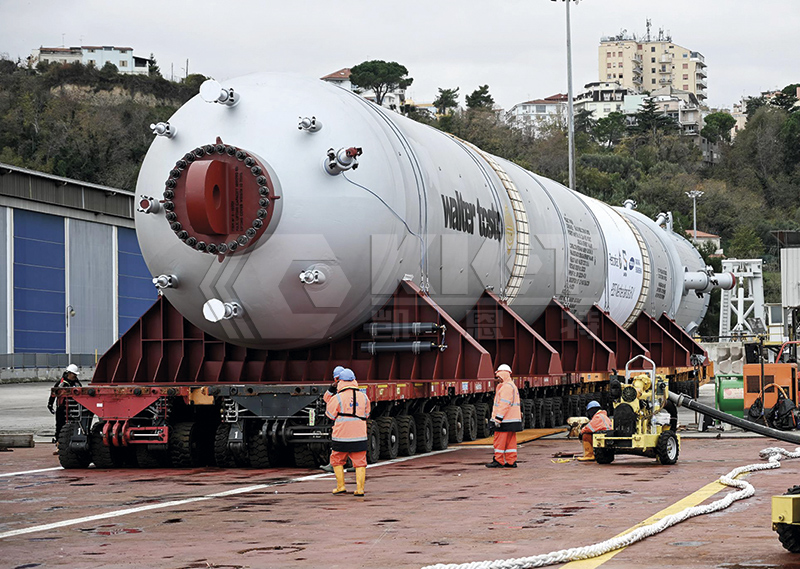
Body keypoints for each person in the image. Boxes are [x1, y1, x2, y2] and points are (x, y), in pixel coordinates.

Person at [324, 368, 371, 495]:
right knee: (360, 462)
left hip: (341, 436)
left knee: (337, 460)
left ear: (340, 381)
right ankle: (360, 489)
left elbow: (330, 415)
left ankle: (341, 487)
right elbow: (366, 414)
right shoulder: (364, 397)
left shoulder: (338, 397)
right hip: (360, 435)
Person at [486, 364, 522, 468]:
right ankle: (511, 461)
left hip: (504, 420)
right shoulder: (511, 386)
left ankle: (499, 460)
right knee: (511, 442)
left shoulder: (505, 387)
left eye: (498, 375)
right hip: (513, 420)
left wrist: (498, 419)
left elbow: (504, 404)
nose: (498, 378)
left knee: (499, 441)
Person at [48, 364, 82, 449]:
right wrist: (50, 404)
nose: (75, 376)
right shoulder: (61, 383)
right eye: (73, 374)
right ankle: (59, 444)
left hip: (74, 407)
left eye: (76, 374)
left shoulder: (77, 383)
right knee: (60, 425)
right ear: (69, 373)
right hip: (62, 407)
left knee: (75, 425)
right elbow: (53, 394)